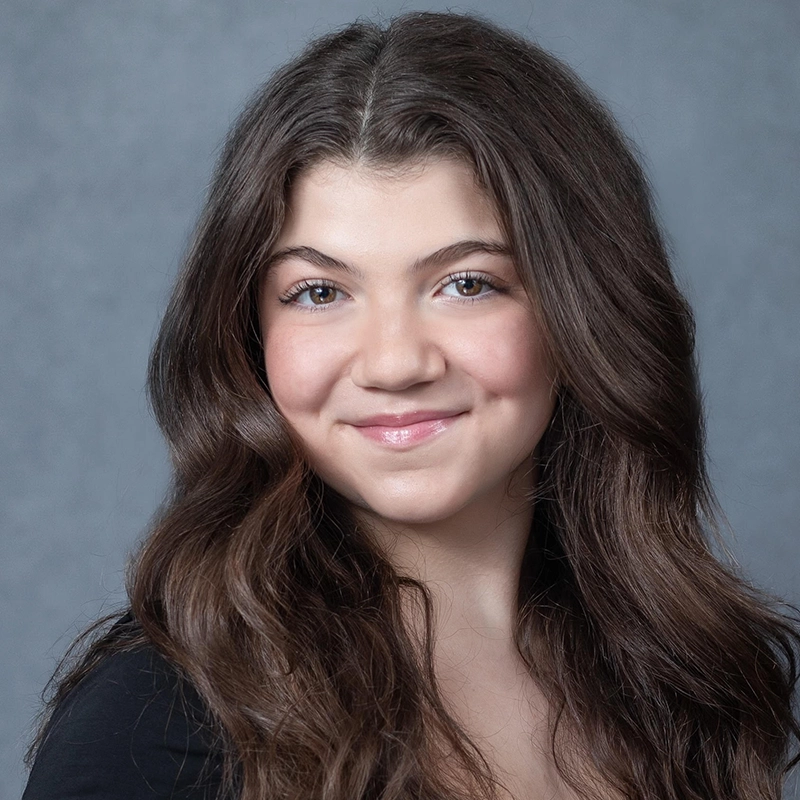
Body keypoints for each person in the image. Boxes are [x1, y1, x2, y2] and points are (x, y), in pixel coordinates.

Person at [22, 9, 800, 800]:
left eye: (466, 284)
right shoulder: (152, 727)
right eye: (319, 292)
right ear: (249, 335)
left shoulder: (684, 686)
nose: (394, 362)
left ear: (580, 312)